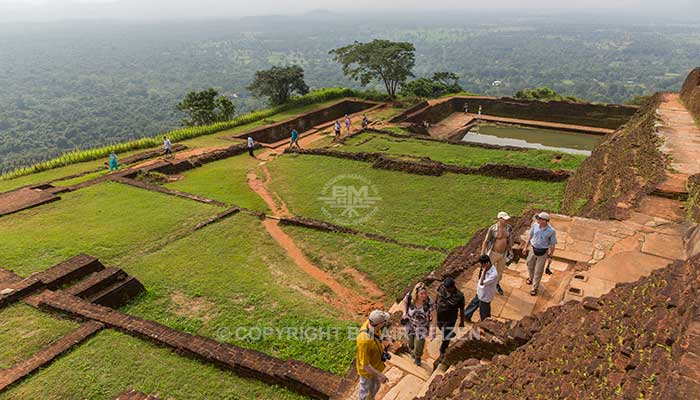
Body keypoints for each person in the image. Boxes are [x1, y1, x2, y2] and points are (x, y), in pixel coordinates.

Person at [356, 309, 391, 400]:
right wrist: (380, 375)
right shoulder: (364, 341)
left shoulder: (371, 322)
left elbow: (382, 330)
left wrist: (385, 338)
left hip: (376, 365)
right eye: (384, 322)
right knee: (364, 391)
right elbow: (365, 366)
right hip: (367, 373)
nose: (384, 324)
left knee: (375, 387)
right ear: (379, 324)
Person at [524, 212, 557, 296]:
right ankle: (530, 278)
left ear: (545, 221)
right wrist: (525, 247)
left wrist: (550, 256)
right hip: (533, 249)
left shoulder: (551, 231)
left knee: (538, 271)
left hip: (542, 252)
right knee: (529, 265)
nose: (537, 220)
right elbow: (530, 236)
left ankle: (534, 288)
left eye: (539, 218)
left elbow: (552, 244)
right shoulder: (535, 225)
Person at [480, 211, 514, 295]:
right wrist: (482, 254)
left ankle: (496, 284)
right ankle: (483, 284)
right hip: (493, 253)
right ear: (500, 219)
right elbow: (486, 241)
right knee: (487, 270)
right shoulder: (493, 229)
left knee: (500, 271)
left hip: (503, 253)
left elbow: (509, 239)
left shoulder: (508, 227)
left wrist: (511, 250)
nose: (506, 221)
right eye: (504, 219)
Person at [401, 282, 435, 366]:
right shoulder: (410, 297)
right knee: (410, 343)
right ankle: (412, 349)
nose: (424, 295)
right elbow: (404, 302)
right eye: (422, 293)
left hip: (422, 327)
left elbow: (434, 316)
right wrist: (404, 313)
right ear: (416, 294)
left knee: (419, 344)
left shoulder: (429, 301)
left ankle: (417, 357)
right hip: (410, 324)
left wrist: (433, 331)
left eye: (425, 293)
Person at [464, 255, 499, 325]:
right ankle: (466, 315)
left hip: (486, 295)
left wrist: (484, 271)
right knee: (473, 304)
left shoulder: (493, 274)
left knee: (484, 312)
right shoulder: (484, 267)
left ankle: (485, 324)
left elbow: (482, 282)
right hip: (480, 292)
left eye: (482, 265)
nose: (481, 266)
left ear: (486, 264)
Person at [435, 277, 465, 356]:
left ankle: (443, 349)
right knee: (440, 327)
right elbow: (437, 295)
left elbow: (462, 309)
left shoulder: (459, 296)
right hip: (440, 315)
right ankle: (448, 332)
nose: (446, 290)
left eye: (448, 289)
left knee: (446, 337)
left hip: (450, 319)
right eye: (445, 288)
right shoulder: (442, 287)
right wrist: (435, 304)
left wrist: (462, 322)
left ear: (453, 287)